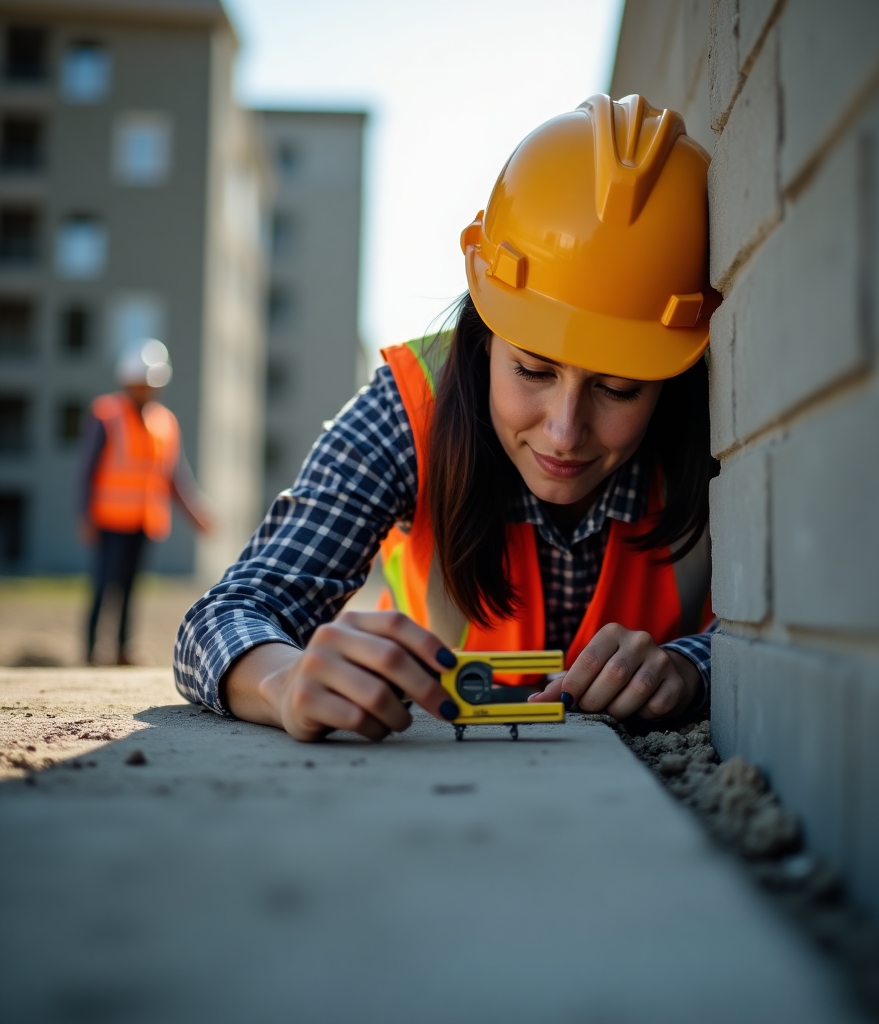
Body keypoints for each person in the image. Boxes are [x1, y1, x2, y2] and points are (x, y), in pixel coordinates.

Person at [174, 93, 718, 741]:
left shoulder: (720, 431)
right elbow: (229, 613)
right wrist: (282, 679)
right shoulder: (407, 410)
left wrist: (691, 668)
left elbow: (789, 634)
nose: (565, 431)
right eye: (534, 372)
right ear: (486, 334)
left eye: (620, 389)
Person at [79, 339, 212, 665]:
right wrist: (85, 514)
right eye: (139, 384)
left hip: (144, 520)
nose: (145, 390)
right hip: (109, 518)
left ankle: (123, 649)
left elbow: (174, 476)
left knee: (130, 589)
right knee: (103, 587)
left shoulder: (165, 422)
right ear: (127, 382)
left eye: (150, 384)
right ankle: (91, 652)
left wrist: (195, 511)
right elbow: (88, 468)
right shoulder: (107, 414)